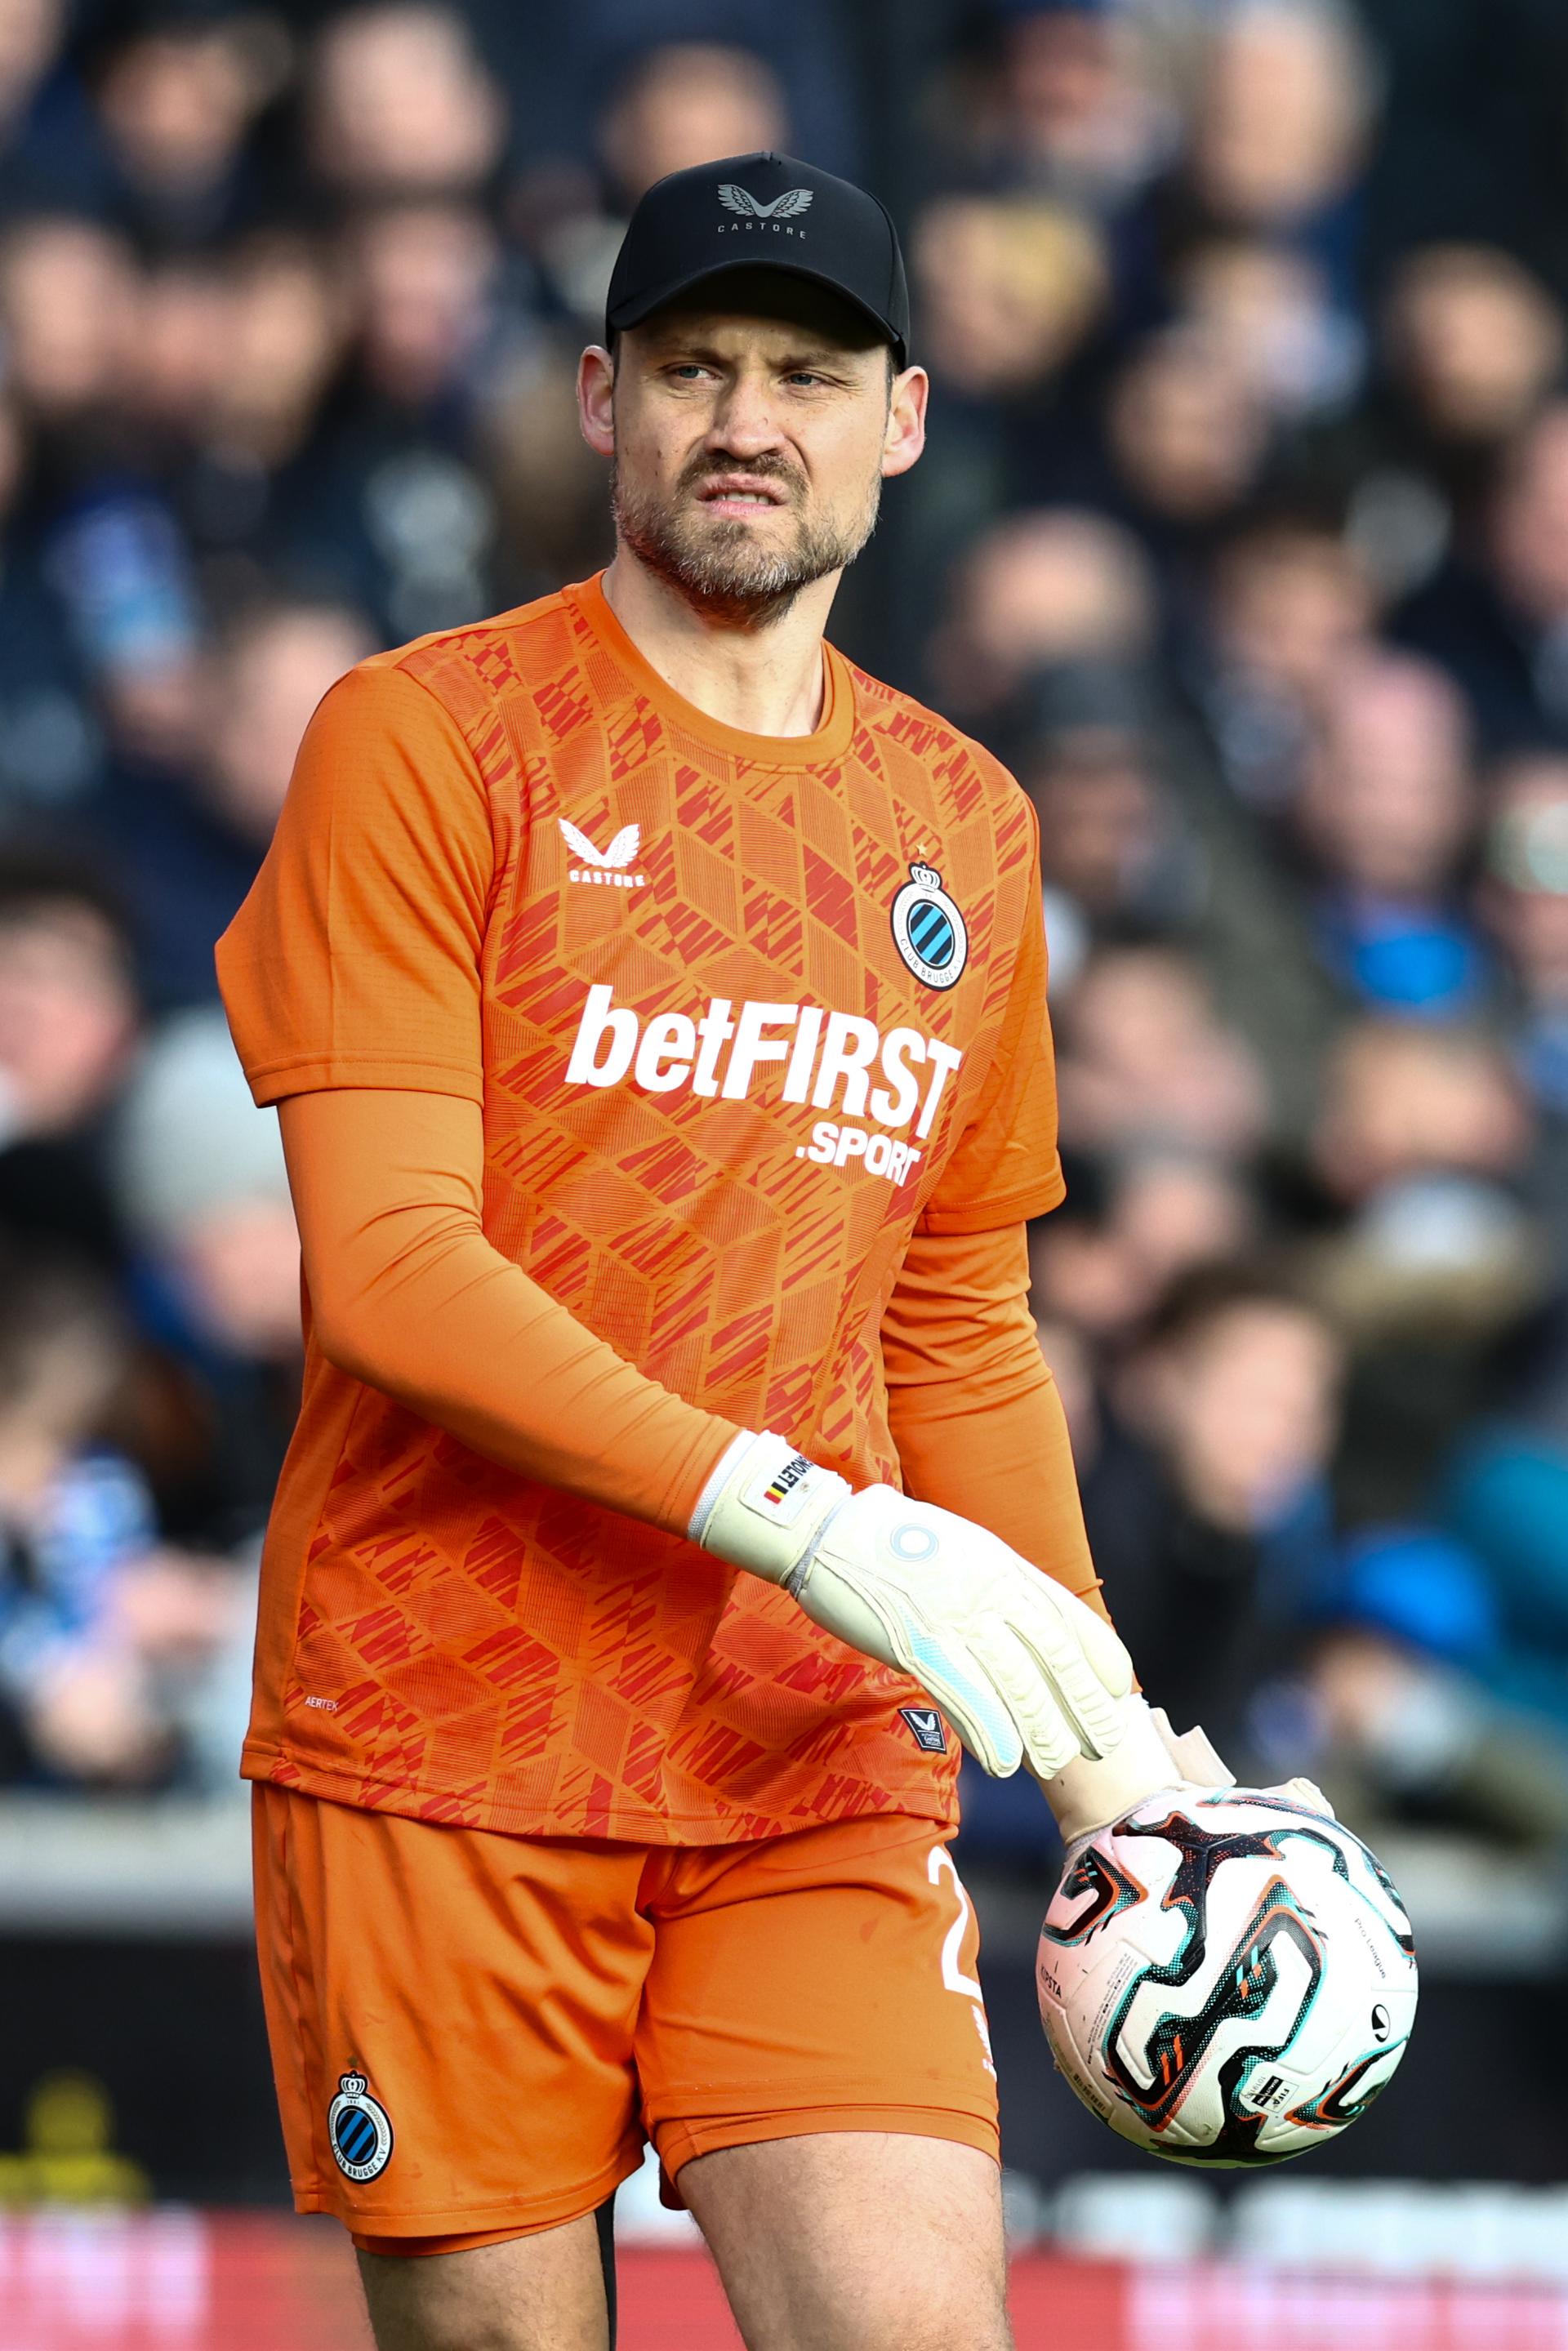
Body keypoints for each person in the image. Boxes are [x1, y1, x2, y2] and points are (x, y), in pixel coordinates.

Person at [216, 152, 1214, 2351]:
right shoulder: (425, 739)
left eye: (806, 372)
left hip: (810, 1751)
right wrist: (796, 1515)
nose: (747, 419)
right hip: (442, 1734)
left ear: (906, 418)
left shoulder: (966, 821)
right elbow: (387, 1268)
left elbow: (954, 1316)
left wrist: (1113, 1735)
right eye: (693, 369)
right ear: (602, 401)